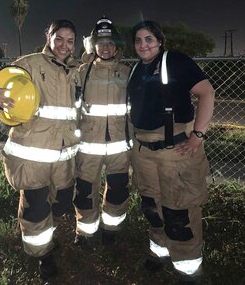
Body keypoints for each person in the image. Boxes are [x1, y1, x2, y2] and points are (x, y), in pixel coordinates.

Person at [0, 19, 80, 280]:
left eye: (70, 41)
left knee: (63, 203)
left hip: (64, 158)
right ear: (48, 37)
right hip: (31, 156)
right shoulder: (29, 63)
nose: (64, 46)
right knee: (36, 208)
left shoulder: (78, 69)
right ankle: (42, 256)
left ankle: (46, 234)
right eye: (59, 39)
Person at [127, 20, 215, 284]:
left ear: (160, 41)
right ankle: (160, 250)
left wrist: (197, 137)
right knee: (151, 206)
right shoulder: (135, 69)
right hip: (143, 150)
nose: (143, 44)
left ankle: (188, 269)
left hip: (175, 150)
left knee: (179, 210)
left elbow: (207, 93)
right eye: (139, 40)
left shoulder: (175, 61)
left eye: (149, 39)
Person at [72, 16, 131, 247]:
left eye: (110, 43)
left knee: (117, 190)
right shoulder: (81, 73)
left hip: (119, 148)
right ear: (92, 45)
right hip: (88, 148)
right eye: (101, 42)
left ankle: (111, 230)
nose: (105, 48)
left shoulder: (127, 73)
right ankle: (85, 232)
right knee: (85, 192)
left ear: (116, 46)